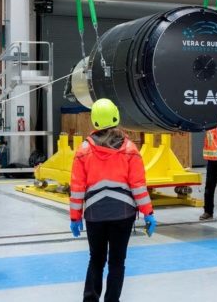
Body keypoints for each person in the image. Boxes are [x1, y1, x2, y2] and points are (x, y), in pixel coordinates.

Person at [69, 98, 156, 302]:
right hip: (123, 215)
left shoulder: (83, 152)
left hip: (94, 215)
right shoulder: (130, 150)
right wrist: (148, 213)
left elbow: (77, 188)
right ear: (116, 117)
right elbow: (138, 187)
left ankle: (90, 299)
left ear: (94, 121)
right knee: (117, 262)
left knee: (96, 260)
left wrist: (75, 217)